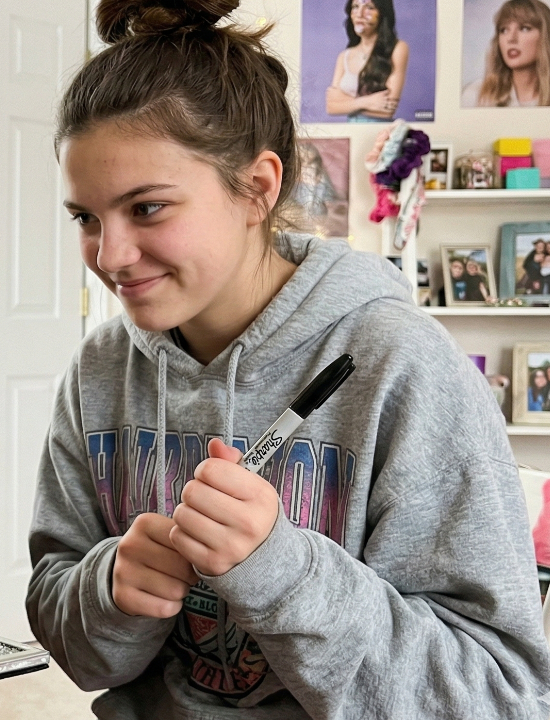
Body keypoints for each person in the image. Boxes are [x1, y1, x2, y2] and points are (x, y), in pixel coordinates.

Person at [27, 1, 550, 717]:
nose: (109, 256)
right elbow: (72, 640)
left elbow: (503, 696)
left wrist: (288, 575)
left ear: (259, 189)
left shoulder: (401, 367)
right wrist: (108, 589)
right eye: (85, 218)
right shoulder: (98, 373)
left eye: (146, 208)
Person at [325, 0, 409, 122]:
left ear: (382, 13)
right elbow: (331, 107)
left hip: (379, 132)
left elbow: (387, 110)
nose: (360, 14)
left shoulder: (398, 48)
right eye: (355, 7)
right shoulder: (344, 56)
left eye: (369, 7)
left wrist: (344, 104)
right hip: (352, 133)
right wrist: (367, 102)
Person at [463, 0, 550, 107]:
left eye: (524, 28)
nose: (511, 38)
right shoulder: (475, 95)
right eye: (504, 30)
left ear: (546, 37)